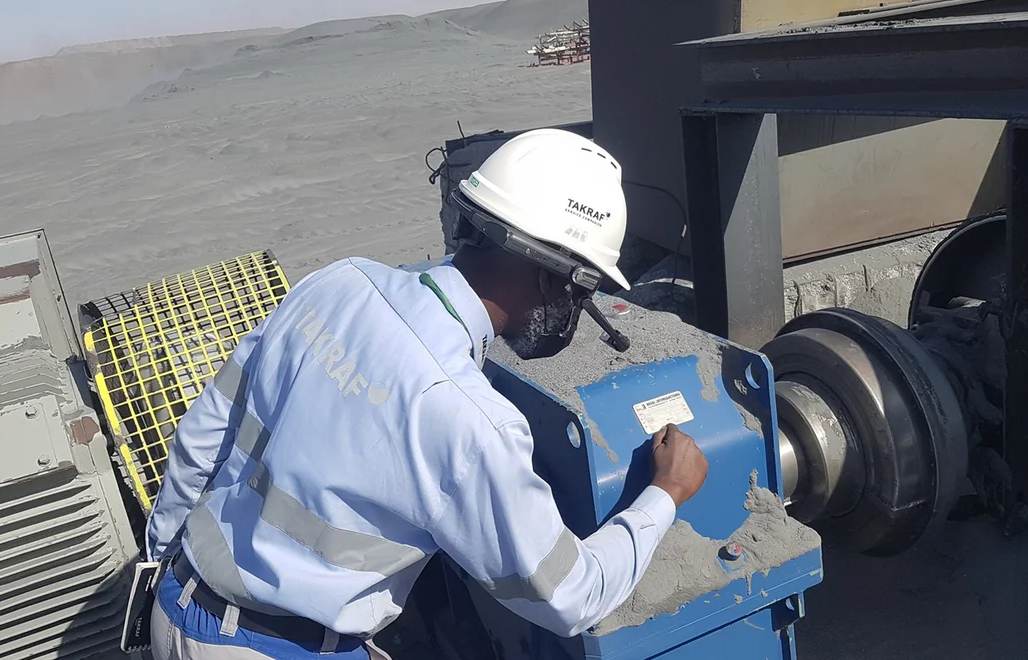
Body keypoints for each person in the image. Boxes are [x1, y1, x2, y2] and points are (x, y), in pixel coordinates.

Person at [143, 128, 709, 660]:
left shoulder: (338, 282)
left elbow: (203, 436)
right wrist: (665, 493)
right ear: (554, 278)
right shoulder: (471, 423)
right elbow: (571, 596)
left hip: (175, 603)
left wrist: (158, 563)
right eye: (580, 293)